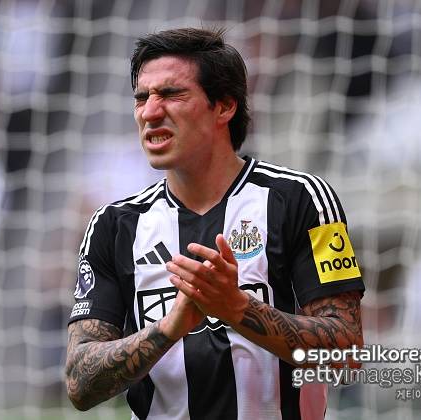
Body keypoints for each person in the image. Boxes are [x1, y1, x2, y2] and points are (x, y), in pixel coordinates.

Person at [65, 27, 364, 420]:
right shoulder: (114, 225)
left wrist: (236, 307)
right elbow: (79, 383)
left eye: (171, 94)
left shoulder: (302, 199)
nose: (150, 112)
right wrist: (169, 327)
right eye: (141, 97)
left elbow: (347, 354)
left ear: (224, 107)